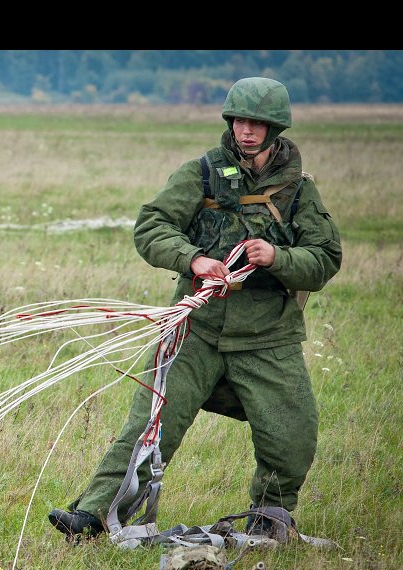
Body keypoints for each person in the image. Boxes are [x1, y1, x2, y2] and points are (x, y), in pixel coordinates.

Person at [49, 77, 342, 539]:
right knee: (150, 426)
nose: (247, 131)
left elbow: (325, 259)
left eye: (258, 123)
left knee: (291, 437)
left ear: (275, 129)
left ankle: (269, 519)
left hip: (269, 337)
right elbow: (152, 226)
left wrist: (276, 257)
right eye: (241, 120)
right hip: (195, 329)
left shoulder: (299, 193)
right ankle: (92, 516)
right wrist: (194, 259)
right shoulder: (201, 173)